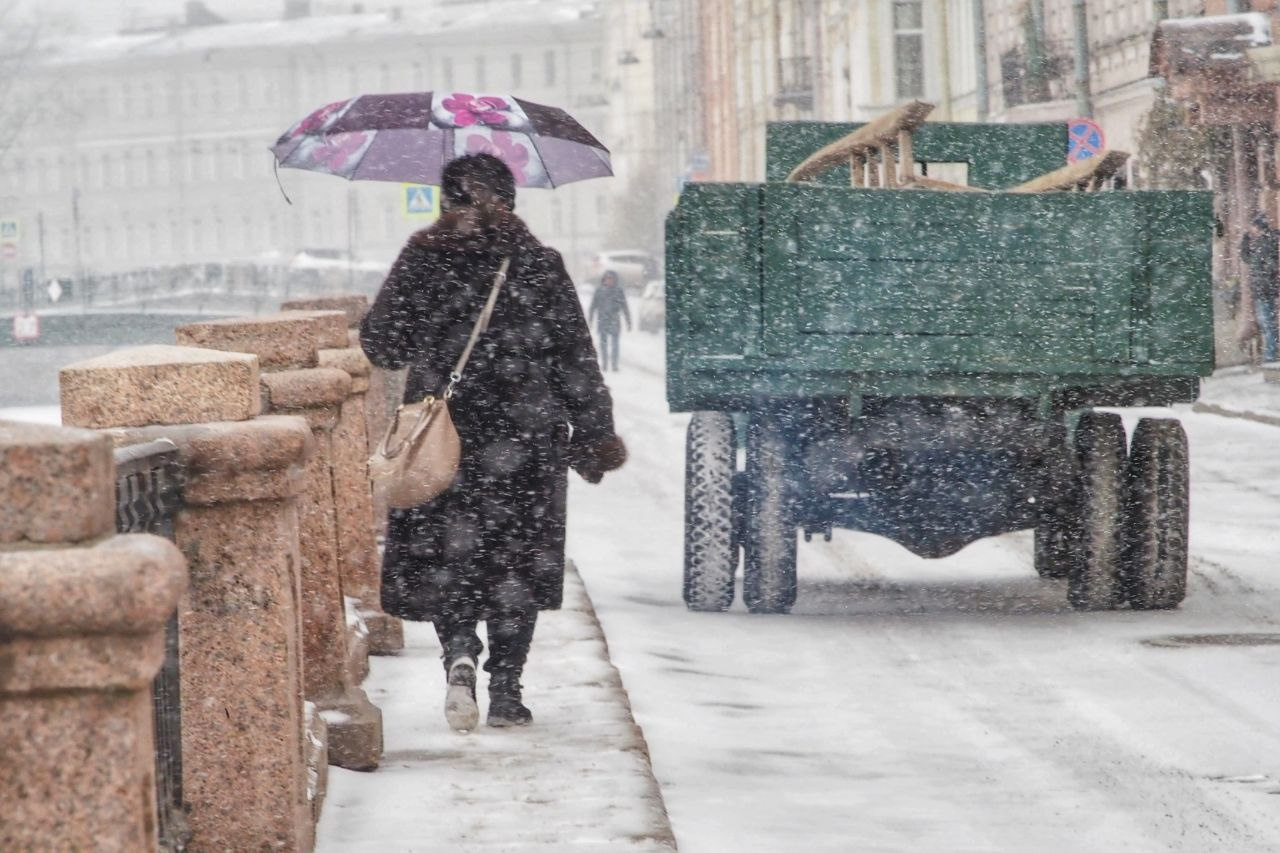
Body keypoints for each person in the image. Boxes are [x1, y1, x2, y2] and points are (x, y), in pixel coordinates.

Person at [360, 153, 627, 731]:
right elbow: (577, 358)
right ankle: (508, 688)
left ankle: (459, 654)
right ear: (511, 200)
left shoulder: (423, 257)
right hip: (526, 439)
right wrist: (595, 433)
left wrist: (421, 302)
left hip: (443, 439)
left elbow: (382, 346)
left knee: (450, 553)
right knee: (515, 560)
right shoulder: (538, 262)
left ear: (444, 201)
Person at [1242, 213, 1280, 362]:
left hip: (1264, 289)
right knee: (1266, 322)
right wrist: (1245, 241)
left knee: (1267, 322)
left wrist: (1265, 279)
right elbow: (1247, 259)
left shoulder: (1267, 242)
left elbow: (1270, 265)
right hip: (1261, 289)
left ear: (1258, 227)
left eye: (1253, 227)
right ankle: (1271, 353)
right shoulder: (1261, 242)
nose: (1252, 230)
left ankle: (1271, 354)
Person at [588, 270, 631, 371]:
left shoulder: (619, 291)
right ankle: (605, 364)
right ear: (604, 279)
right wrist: (590, 319)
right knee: (603, 344)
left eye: (611, 278)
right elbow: (593, 306)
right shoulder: (599, 291)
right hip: (602, 320)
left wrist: (628, 321)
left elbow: (625, 307)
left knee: (615, 344)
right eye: (607, 278)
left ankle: (614, 365)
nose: (609, 280)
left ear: (615, 280)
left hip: (614, 320)